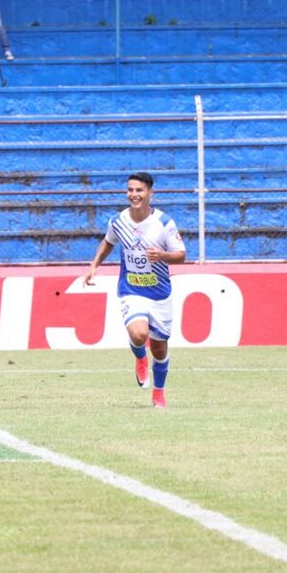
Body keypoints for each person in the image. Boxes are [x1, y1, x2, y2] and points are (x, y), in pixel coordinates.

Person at [84, 172, 187, 408]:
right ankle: (140, 357)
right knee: (139, 334)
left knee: (160, 348)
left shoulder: (164, 223)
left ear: (150, 193)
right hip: (131, 290)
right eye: (130, 190)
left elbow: (181, 255)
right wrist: (94, 266)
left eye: (139, 190)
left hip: (160, 294)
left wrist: (162, 256)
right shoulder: (118, 221)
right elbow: (108, 241)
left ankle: (158, 393)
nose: (134, 194)